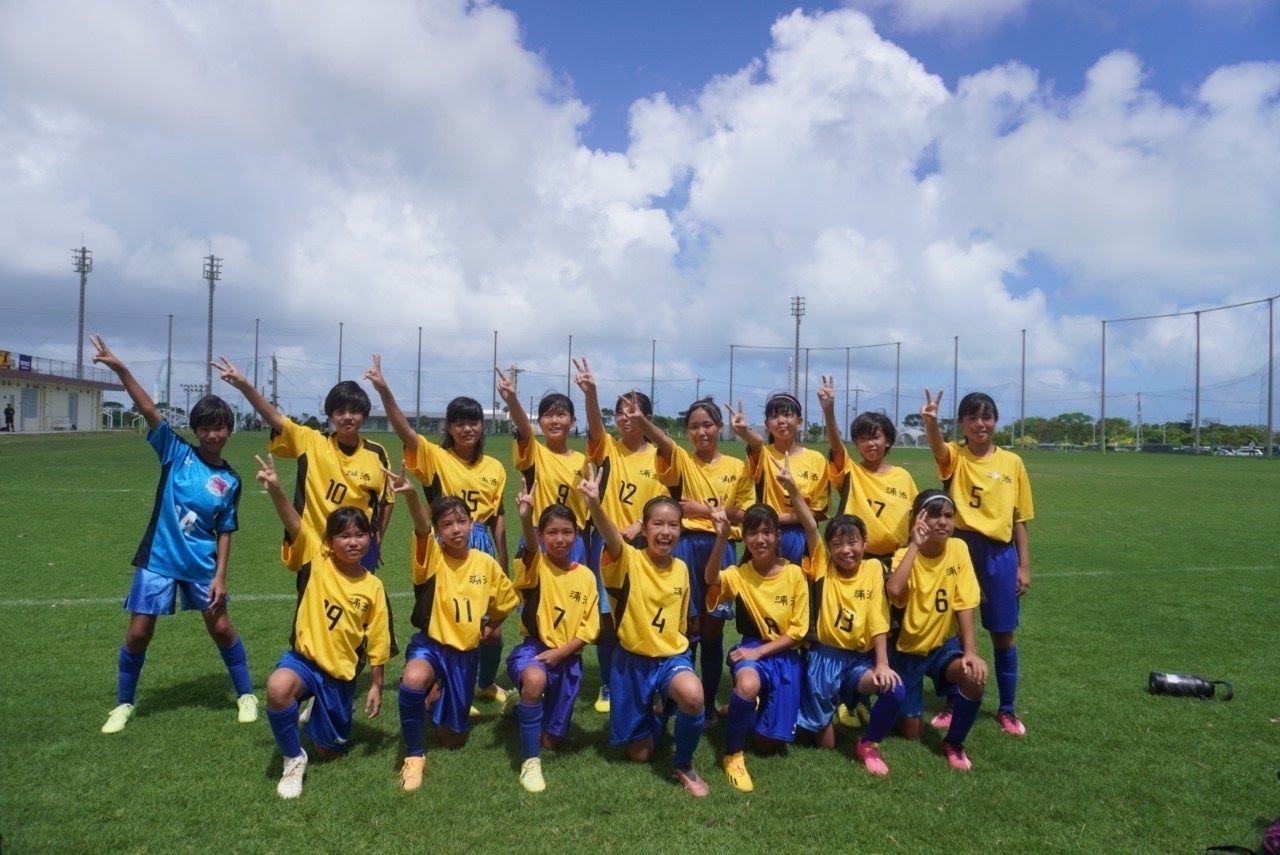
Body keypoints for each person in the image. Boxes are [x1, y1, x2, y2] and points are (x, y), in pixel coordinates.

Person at [90, 335, 255, 735]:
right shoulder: (176, 453)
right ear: (196, 430)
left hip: (201, 564)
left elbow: (225, 530)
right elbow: (149, 409)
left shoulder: (231, 480)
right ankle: (124, 703)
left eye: (219, 428)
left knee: (221, 628)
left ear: (229, 431)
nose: (213, 435)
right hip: (159, 559)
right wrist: (121, 369)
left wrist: (220, 576)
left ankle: (246, 695)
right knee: (138, 632)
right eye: (205, 428)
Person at [366, 355, 510, 704]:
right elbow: (405, 431)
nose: (466, 429)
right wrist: (384, 391)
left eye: (473, 422)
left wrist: (503, 564)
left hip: (482, 547)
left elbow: (498, 518)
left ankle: (483, 683)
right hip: (445, 548)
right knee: (447, 624)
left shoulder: (495, 467)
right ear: (449, 428)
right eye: (459, 423)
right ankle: (442, 687)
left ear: (482, 426)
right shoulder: (435, 457)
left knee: (490, 629)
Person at [256, 454, 390, 798]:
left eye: (360, 535)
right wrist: (277, 490)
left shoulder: (373, 586)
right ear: (329, 541)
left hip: (339, 674)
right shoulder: (317, 559)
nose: (353, 542)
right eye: (344, 536)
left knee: (329, 752)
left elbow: (378, 640)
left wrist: (376, 684)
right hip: (304, 660)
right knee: (277, 687)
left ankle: (319, 706)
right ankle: (293, 759)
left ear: (370, 539)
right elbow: (294, 522)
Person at [619, 395, 753, 724]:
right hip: (686, 548)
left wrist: (703, 510)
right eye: (694, 427)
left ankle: (707, 703)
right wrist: (642, 421)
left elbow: (744, 513)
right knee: (687, 626)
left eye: (707, 425)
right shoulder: (682, 458)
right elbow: (664, 442)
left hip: (721, 548)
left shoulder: (737, 467)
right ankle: (678, 699)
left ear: (719, 427)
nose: (701, 432)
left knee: (713, 630)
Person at [580, 466, 710, 798]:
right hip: (632, 663)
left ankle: (683, 763)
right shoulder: (627, 560)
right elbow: (611, 537)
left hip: (670, 659)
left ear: (681, 529)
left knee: (694, 696)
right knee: (640, 755)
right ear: (644, 528)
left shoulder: (681, 568)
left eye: (673, 525)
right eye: (658, 524)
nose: (666, 532)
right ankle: (659, 713)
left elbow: (681, 623)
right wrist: (595, 504)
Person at [213, 357, 394, 574]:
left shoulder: (377, 453)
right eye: (340, 412)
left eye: (354, 411)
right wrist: (245, 386)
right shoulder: (310, 441)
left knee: (362, 595)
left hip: (358, 551)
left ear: (364, 416)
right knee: (313, 597)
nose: (347, 417)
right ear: (331, 416)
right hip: (314, 547)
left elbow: (387, 500)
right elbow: (274, 417)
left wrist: (377, 537)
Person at [922, 389, 1034, 737]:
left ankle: (1007, 708)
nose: (980, 424)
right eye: (972, 418)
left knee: (1002, 633)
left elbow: (1019, 518)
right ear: (962, 423)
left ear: (996, 421)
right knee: (956, 631)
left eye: (986, 417)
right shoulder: (955, 455)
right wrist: (931, 423)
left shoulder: (1012, 462)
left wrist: (1024, 566)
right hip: (960, 548)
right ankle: (954, 701)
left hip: (1000, 554)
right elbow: (938, 448)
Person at [395, 482, 519, 793]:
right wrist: (412, 496)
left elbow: (507, 601)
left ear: (472, 522)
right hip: (431, 646)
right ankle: (414, 756)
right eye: (447, 524)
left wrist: (490, 627)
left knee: (453, 739)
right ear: (437, 530)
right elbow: (421, 528)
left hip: (464, 654)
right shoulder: (432, 556)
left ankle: (435, 697)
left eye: (461, 521)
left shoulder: (485, 563)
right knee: (413, 678)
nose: (455, 529)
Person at [783, 461, 904, 776]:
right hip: (823, 659)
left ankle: (868, 742)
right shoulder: (823, 565)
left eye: (853, 543)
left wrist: (882, 663)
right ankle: (806, 709)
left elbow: (878, 618)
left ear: (865, 543)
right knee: (825, 743)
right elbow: (811, 526)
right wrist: (793, 489)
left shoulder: (873, 568)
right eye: (837, 544)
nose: (846, 550)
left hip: (858, 662)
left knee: (894, 689)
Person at [703, 460, 809, 793]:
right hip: (751, 647)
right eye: (752, 533)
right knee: (747, 683)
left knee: (767, 742)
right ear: (745, 537)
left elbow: (798, 632)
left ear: (778, 536)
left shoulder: (795, 574)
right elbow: (711, 579)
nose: (760, 539)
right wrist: (722, 539)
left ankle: (747, 707)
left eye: (767, 532)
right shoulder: (739, 573)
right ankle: (732, 754)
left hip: (783, 653)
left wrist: (761, 652)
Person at [817, 376, 917, 727]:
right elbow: (835, 447)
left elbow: (912, 522)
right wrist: (829, 411)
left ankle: (883, 691)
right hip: (856, 561)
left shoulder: (903, 478)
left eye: (876, 436)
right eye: (862, 437)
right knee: (856, 627)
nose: (870, 443)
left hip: (894, 563)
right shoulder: (850, 471)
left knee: (888, 630)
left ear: (887, 439)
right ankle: (850, 695)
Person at [573, 358, 669, 714]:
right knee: (607, 616)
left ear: (647, 418)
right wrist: (591, 393)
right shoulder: (608, 449)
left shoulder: (660, 457)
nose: (626, 417)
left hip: (648, 547)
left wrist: (641, 526)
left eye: (634, 411)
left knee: (645, 613)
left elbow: (667, 502)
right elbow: (595, 427)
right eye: (620, 412)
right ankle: (609, 684)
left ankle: (649, 680)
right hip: (608, 544)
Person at [502, 483, 600, 792]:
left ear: (576, 535)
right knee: (534, 680)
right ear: (541, 536)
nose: (560, 539)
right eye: (552, 532)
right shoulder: (535, 565)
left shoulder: (586, 576)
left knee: (552, 741)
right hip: (534, 650)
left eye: (567, 532)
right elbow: (531, 548)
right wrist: (525, 517)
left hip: (568, 658)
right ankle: (530, 763)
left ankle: (518, 705)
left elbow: (590, 628)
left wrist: (562, 652)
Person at [885, 489, 988, 771]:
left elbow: (965, 602)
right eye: (933, 515)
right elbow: (894, 590)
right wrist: (915, 545)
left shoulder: (958, 548)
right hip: (908, 652)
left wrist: (970, 652)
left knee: (974, 676)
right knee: (912, 732)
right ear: (918, 519)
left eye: (948, 516)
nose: (942, 522)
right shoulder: (904, 554)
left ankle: (954, 742)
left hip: (943, 646)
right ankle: (897, 702)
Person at [494, 364, 590, 563]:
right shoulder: (534, 452)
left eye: (561, 415)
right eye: (547, 415)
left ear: (573, 421)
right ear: (539, 422)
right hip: (538, 538)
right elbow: (523, 428)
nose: (554, 421)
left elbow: (587, 513)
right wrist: (512, 400)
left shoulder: (583, 462)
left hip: (572, 542)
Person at [727, 393, 830, 564]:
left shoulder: (816, 459)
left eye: (787, 415)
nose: (781, 420)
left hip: (803, 534)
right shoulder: (764, 454)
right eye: (774, 416)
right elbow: (756, 443)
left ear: (799, 421)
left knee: (801, 580)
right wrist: (744, 431)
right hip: (767, 535)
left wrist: (778, 518)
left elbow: (819, 511)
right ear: (767, 424)